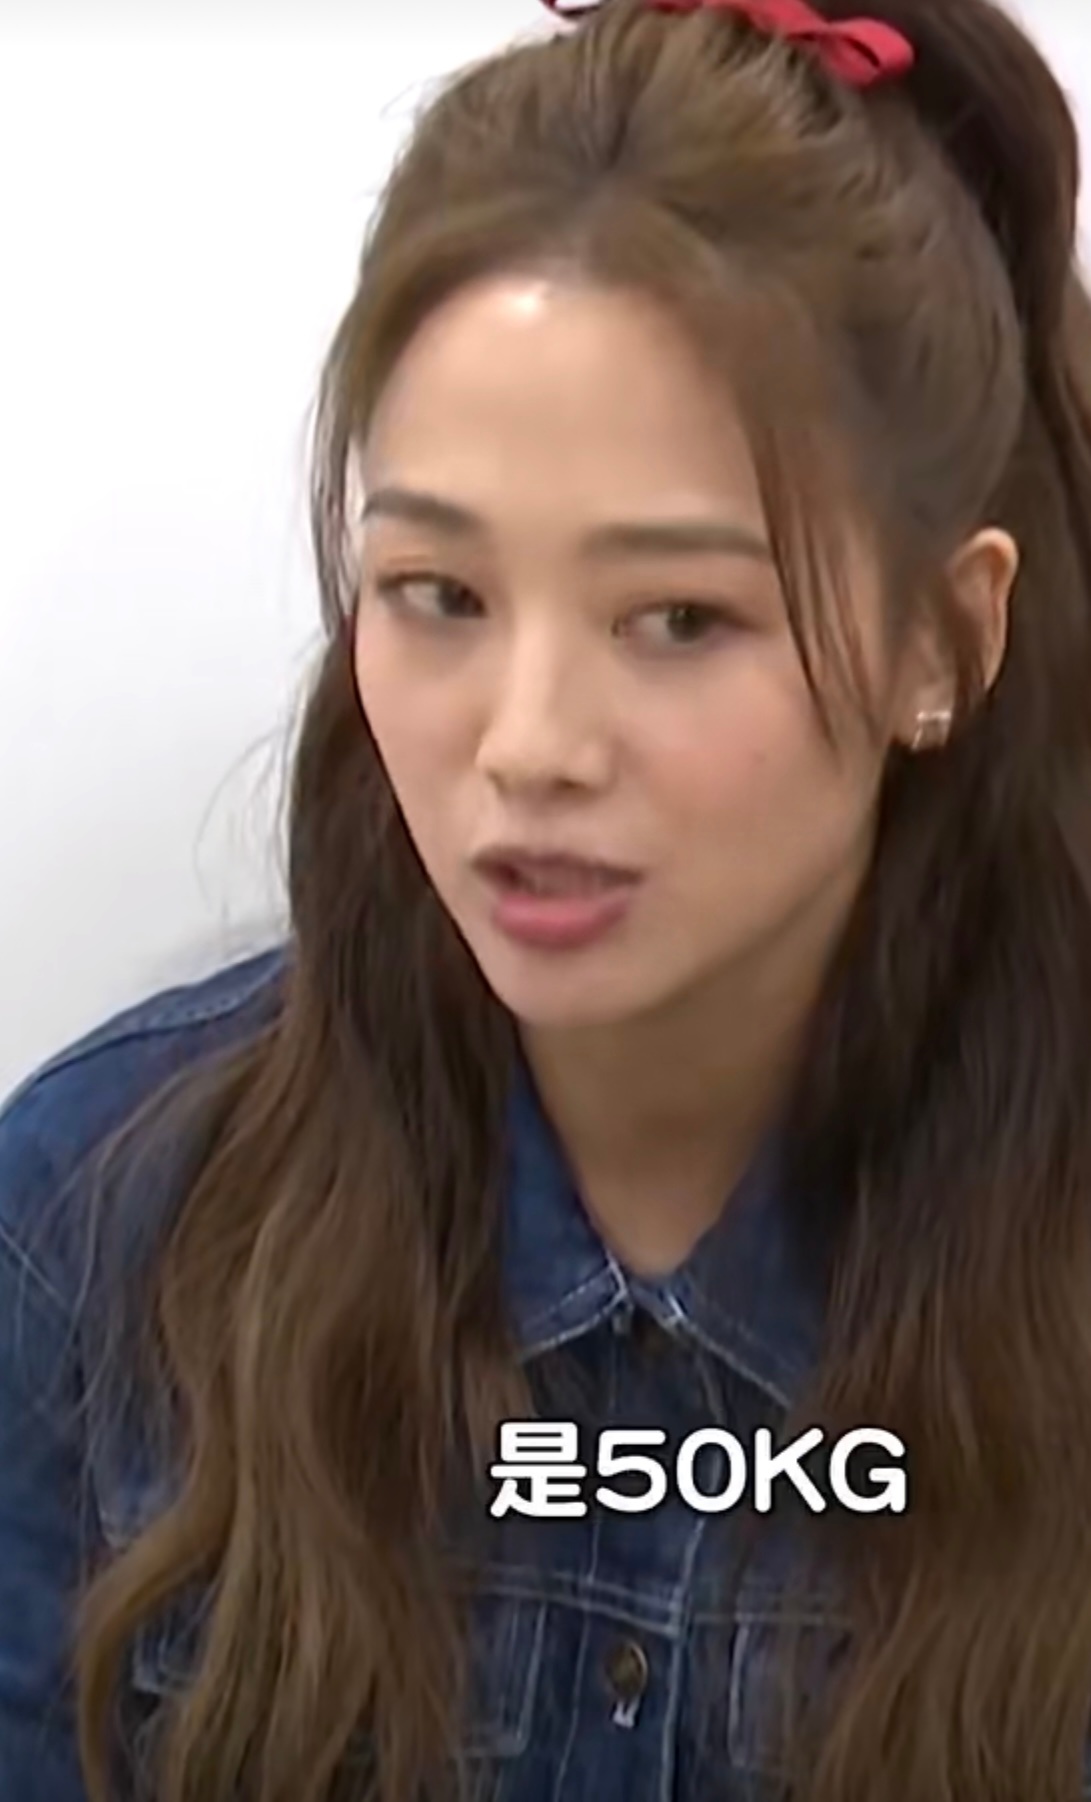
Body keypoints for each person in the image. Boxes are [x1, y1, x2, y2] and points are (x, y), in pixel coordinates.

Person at [3, 0, 1091, 1795]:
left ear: (944, 640)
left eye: (678, 618)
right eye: (439, 593)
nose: (527, 746)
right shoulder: (92, 1226)